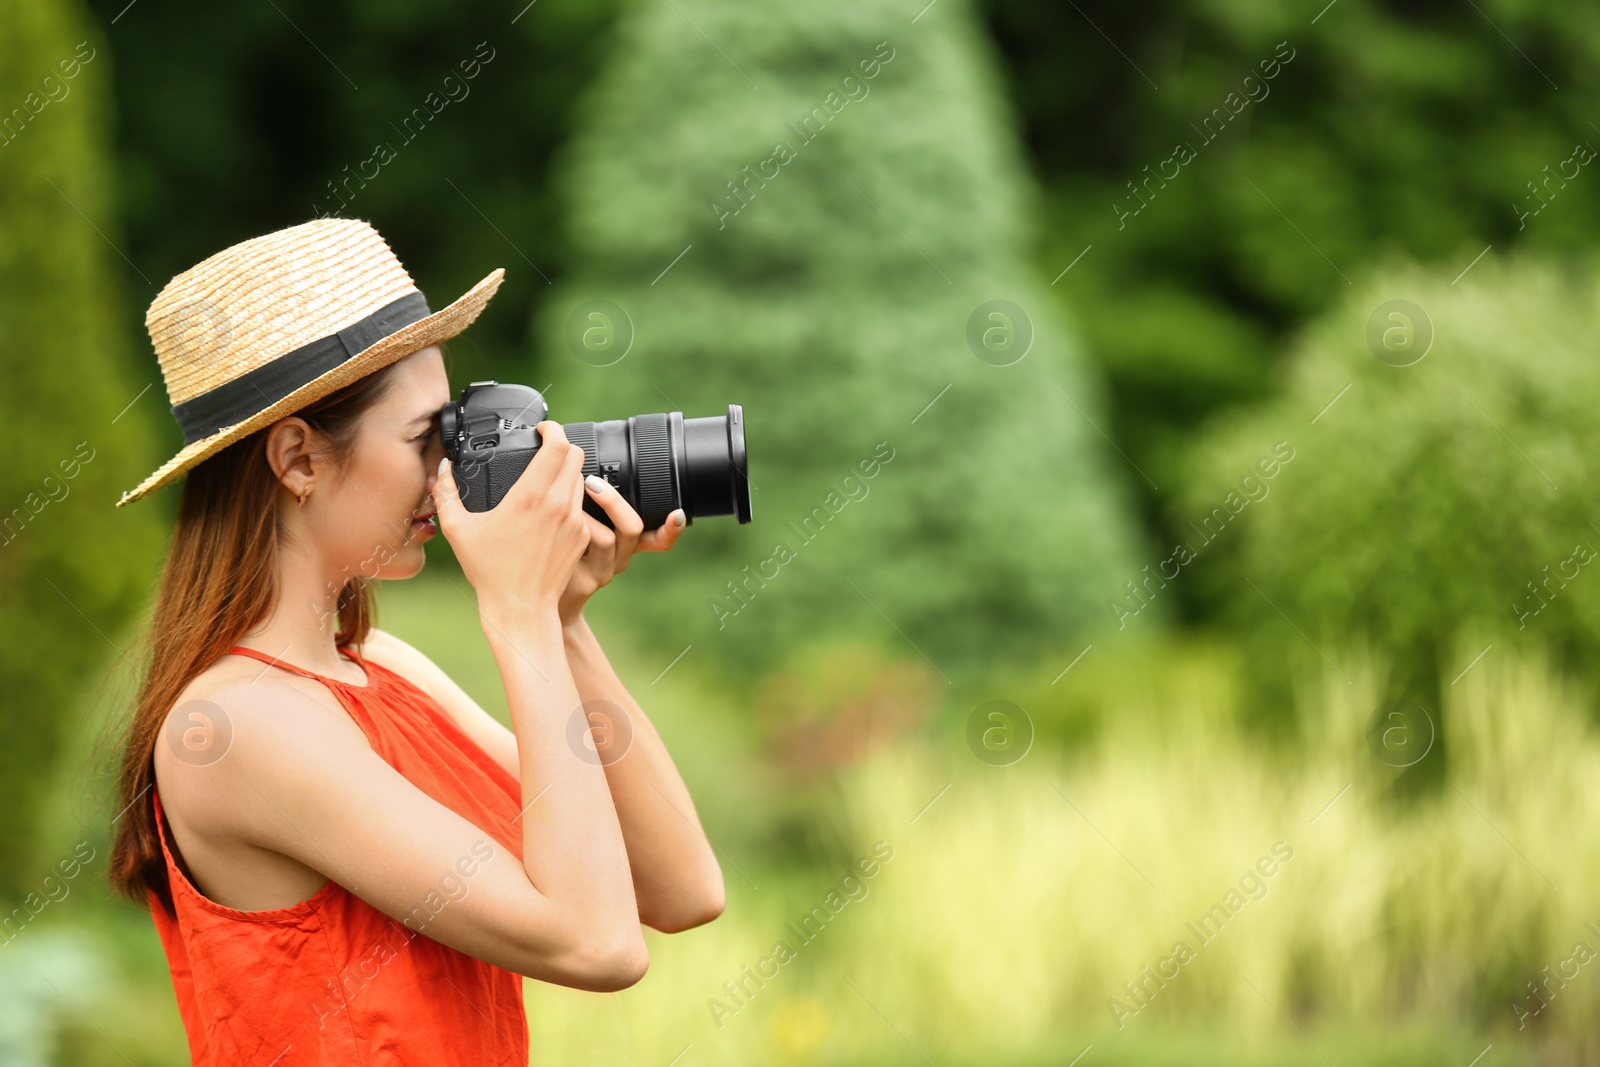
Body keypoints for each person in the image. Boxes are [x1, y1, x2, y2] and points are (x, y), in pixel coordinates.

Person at [105, 218, 725, 1066]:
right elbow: (597, 945)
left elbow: (682, 886)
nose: (452, 474)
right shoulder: (236, 727)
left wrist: (566, 622)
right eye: (424, 440)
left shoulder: (389, 673)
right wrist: (519, 614)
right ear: (298, 459)